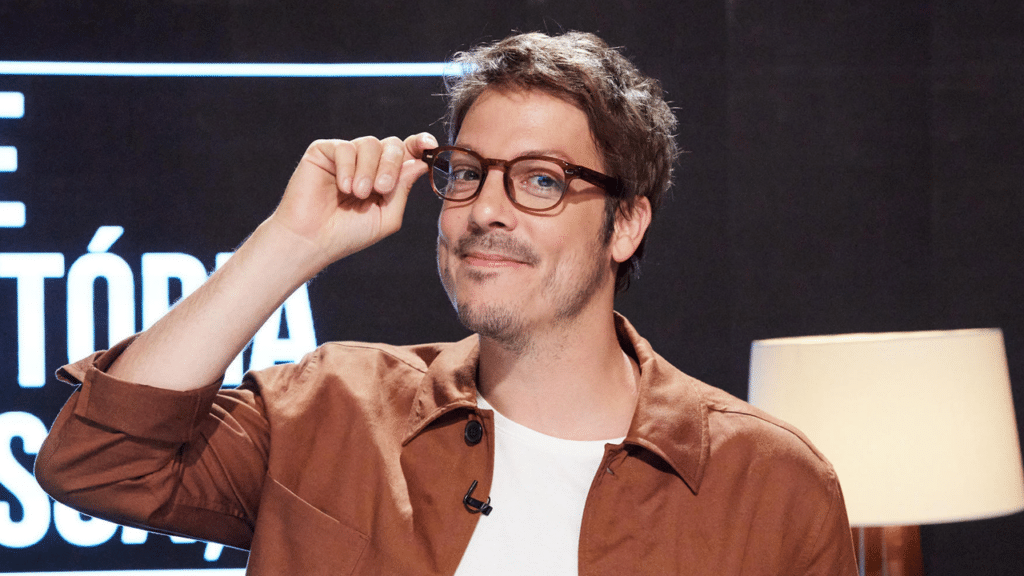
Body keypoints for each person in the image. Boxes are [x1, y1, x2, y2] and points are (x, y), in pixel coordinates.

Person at [36, 31, 858, 575]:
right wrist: (291, 242)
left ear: (626, 224)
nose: (486, 210)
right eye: (466, 173)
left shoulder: (768, 482)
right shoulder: (335, 407)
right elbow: (99, 461)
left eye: (541, 181)